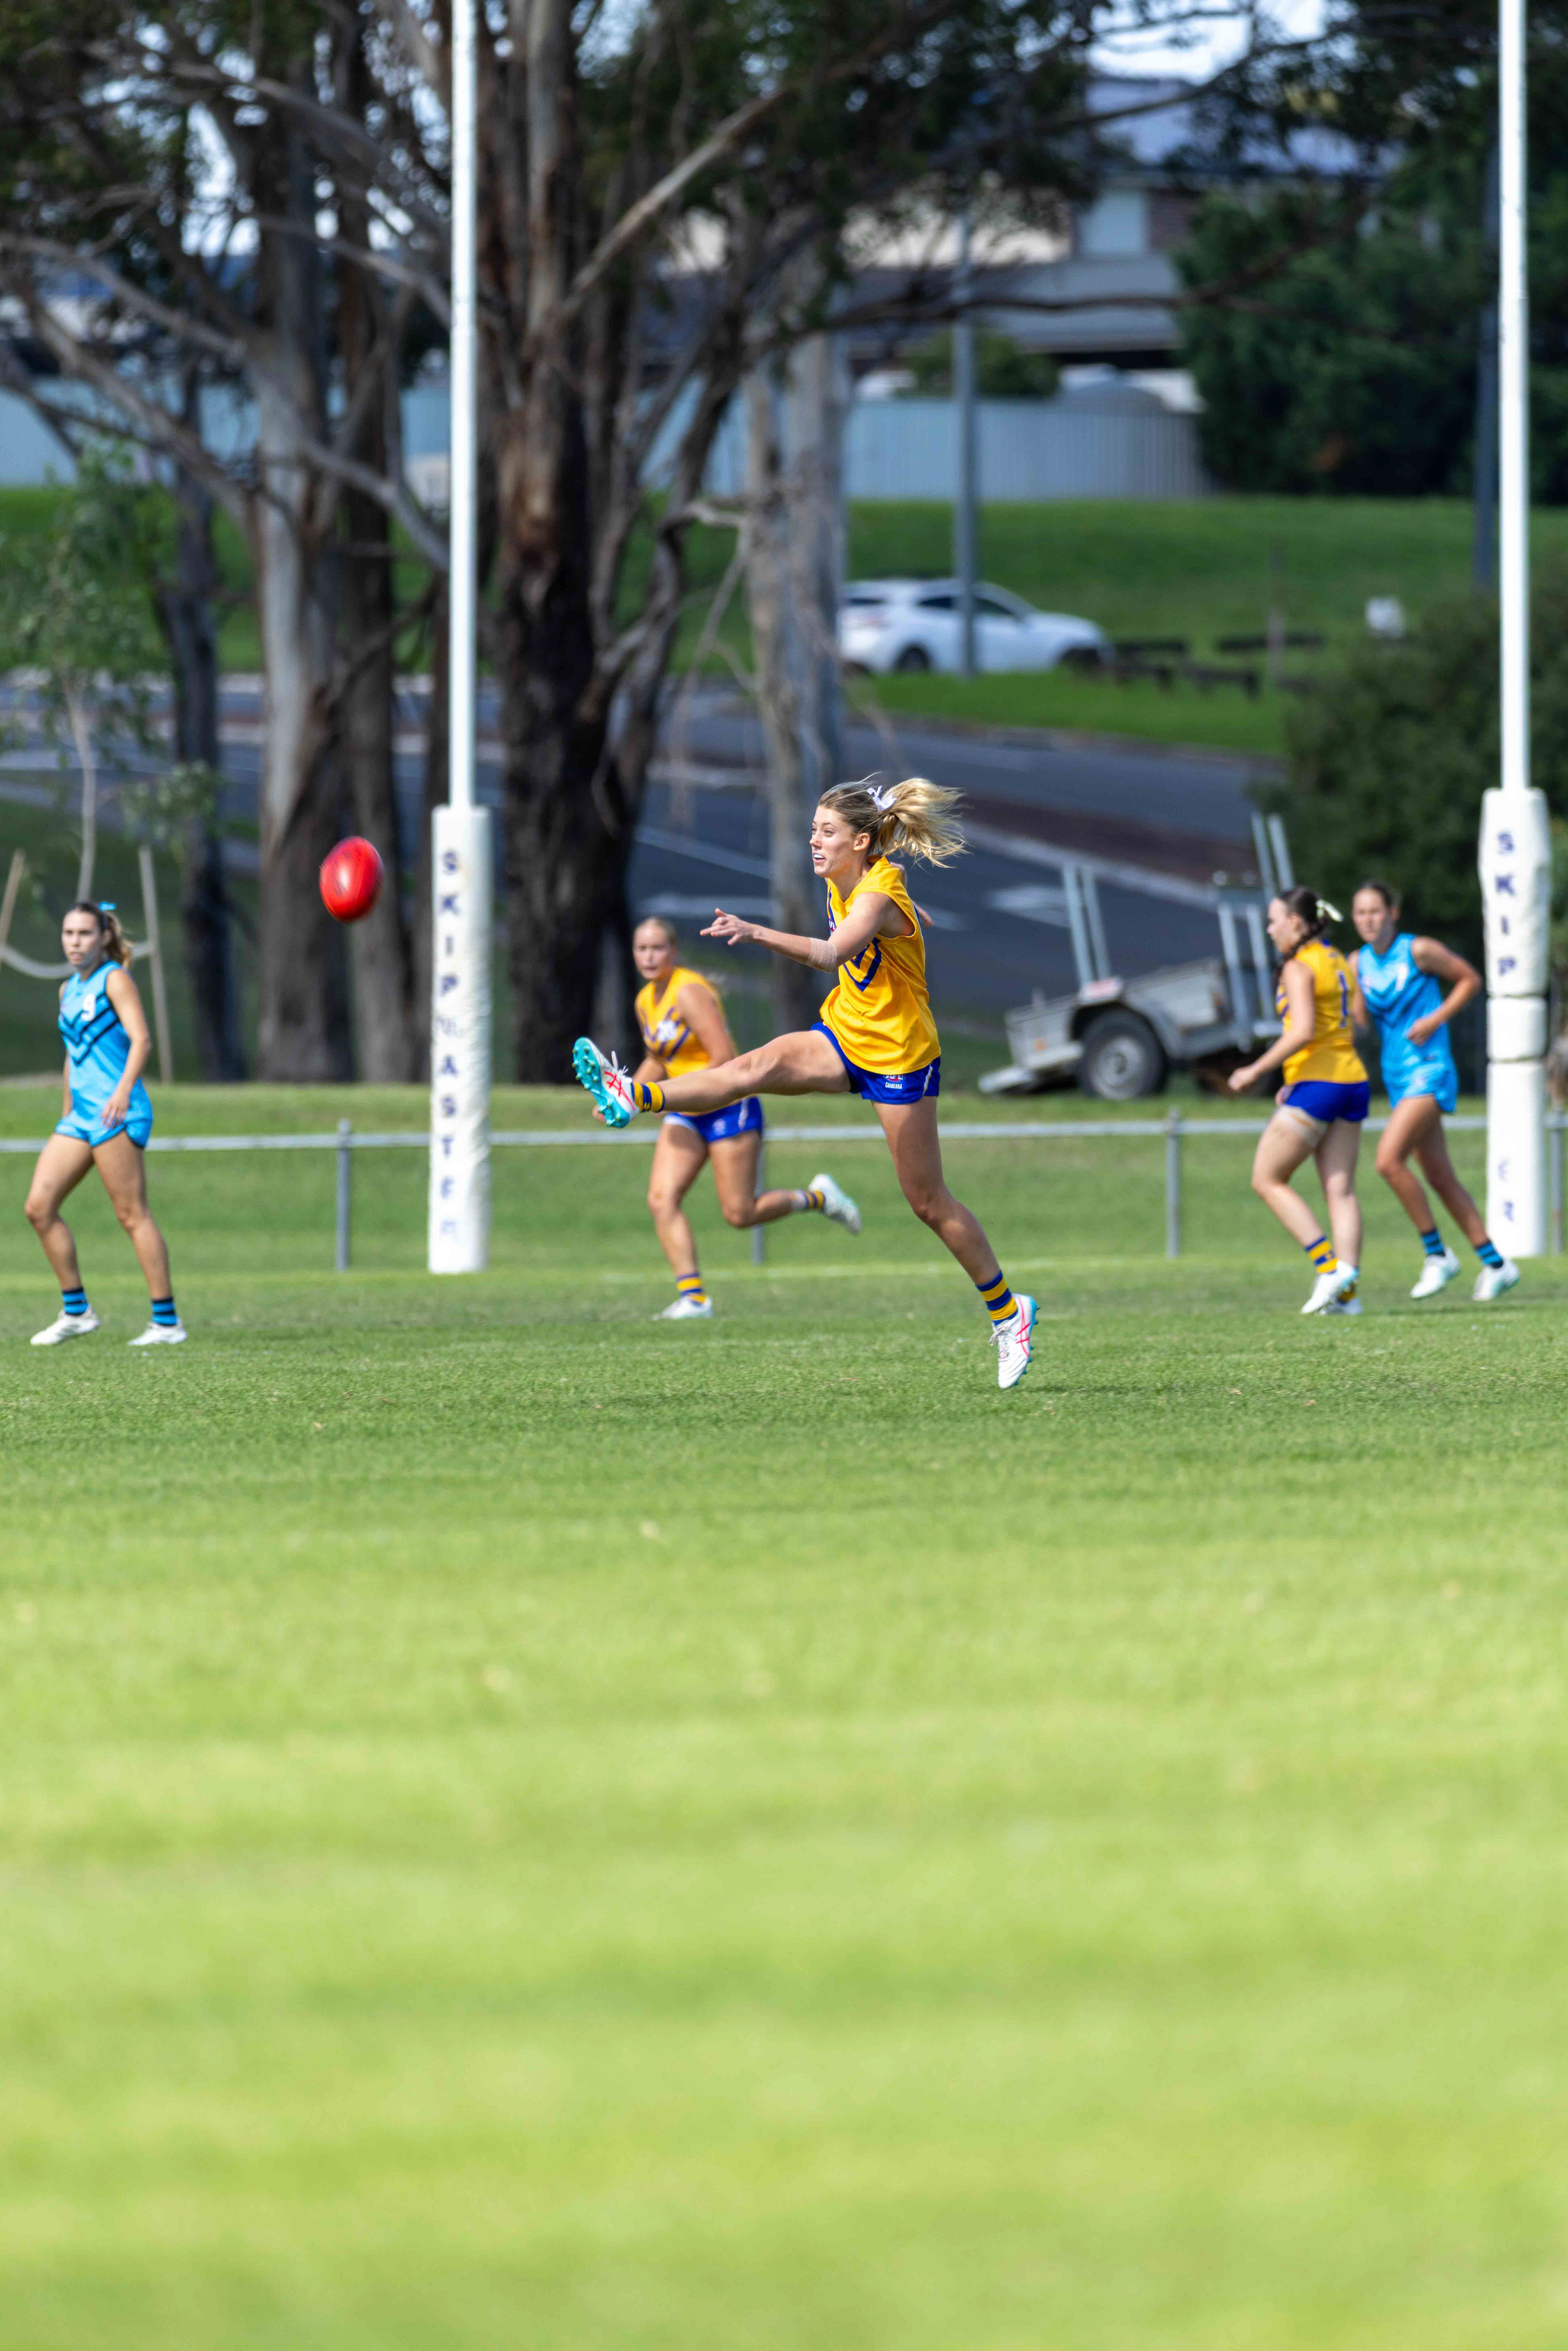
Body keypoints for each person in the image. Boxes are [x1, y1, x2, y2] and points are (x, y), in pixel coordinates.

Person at [573, 778, 1036, 1388]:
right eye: (814, 830)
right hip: (845, 1034)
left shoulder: (875, 893)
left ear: (860, 842)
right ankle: (634, 1094)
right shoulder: (854, 876)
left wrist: (757, 931)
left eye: (827, 833)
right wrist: (908, 908)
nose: (814, 842)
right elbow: (891, 882)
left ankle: (1009, 1312)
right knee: (751, 1070)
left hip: (900, 1057)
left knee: (928, 1202)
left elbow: (830, 954)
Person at [628, 913, 861, 1318]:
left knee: (740, 1214)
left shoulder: (689, 992)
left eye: (657, 948)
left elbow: (723, 1058)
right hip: (684, 1112)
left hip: (726, 1107)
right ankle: (694, 1300)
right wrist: (626, 1095)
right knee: (661, 1200)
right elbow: (657, 1058)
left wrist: (674, 1095)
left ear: (673, 951)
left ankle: (818, 1198)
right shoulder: (645, 1001)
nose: (649, 957)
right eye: (642, 949)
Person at [24, 900, 186, 1347]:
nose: (75, 942)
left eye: (85, 934)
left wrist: (122, 1091)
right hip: (81, 1117)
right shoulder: (67, 990)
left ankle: (167, 1323)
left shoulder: (115, 979)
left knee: (132, 1214)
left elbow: (142, 1040)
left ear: (104, 937)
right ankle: (77, 1312)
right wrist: (67, 1110)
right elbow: (73, 1056)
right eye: (69, 933)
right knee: (39, 1208)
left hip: (118, 1111)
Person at [1350, 878, 1518, 1301]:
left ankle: (1437, 1254)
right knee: (1440, 1176)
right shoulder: (1357, 962)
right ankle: (1497, 1264)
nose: (1368, 920)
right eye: (1360, 913)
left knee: (1388, 1161)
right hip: (1397, 1077)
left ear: (1392, 913)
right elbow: (1360, 1025)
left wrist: (1435, 1019)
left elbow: (1469, 980)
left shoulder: (1419, 950)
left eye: (1375, 911)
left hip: (1430, 1069)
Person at [1228, 886, 1367, 1316]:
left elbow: (1303, 1030)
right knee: (1340, 1190)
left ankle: (1329, 1269)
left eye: (1274, 921)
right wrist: (1295, 1076)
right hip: (1352, 1081)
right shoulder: (1336, 959)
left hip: (1320, 1084)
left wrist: (1254, 1070)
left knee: (1267, 1178)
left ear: (1295, 922)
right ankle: (1347, 1297)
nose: (1270, 930)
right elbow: (1349, 1025)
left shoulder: (1298, 965)